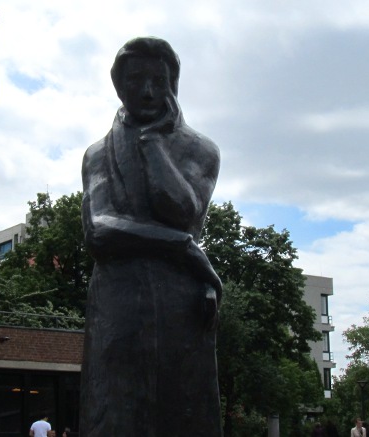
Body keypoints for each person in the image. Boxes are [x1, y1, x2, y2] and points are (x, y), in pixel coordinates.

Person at [79, 36, 222, 437]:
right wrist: (183, 248)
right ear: (117, 84)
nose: (146, 91)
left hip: (184, 300)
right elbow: (99, 231)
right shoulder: (98, 153)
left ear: (172, 85)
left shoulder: (201, 150)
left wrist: (151, 144)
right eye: (135, 79)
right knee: (113, 413)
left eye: (158, 80)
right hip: (118, 301)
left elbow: (183, 211)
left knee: (186, 412)